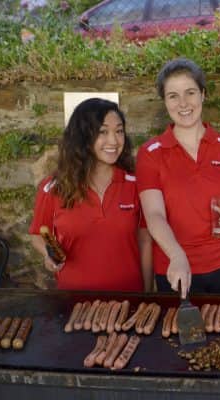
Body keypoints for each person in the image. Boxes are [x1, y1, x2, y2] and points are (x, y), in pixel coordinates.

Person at [136, 58, 220, 299]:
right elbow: (154, 215)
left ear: (203, 94)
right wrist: (177, 255)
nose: (183, 103)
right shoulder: (151, 153)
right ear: (165, 101)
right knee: (178, 336)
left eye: (190, 92)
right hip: (175, 267)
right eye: (173, 96)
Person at [29, 98, 152, 292]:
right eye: (102, 132)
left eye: (119, 131)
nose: (114, 140)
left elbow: (145, 241)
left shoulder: (135, 184)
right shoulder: (53, 187)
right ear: (82, 136)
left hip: (129, 299)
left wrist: (147, 294)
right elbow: (38, 233)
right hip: (74, 301)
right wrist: (48, 254)